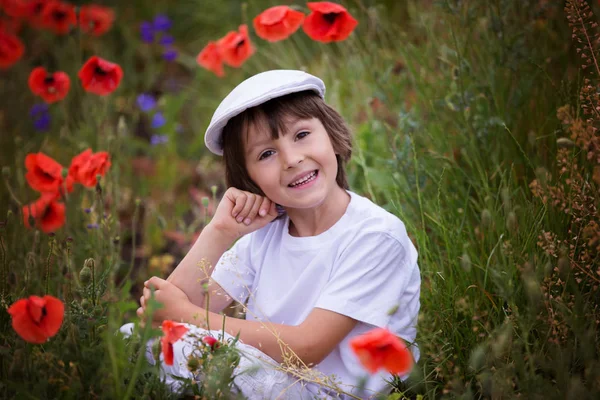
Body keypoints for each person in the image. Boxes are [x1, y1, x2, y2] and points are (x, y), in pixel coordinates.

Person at [124, 69, 421, 399]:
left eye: (302, 135)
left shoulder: (375, 236)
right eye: (266, 154)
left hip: (334, 393)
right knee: (135, 340)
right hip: (273, 378)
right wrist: (219, 231)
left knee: (192, 354)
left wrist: (183, 315)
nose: (292, 159)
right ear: (249, 179)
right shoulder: (264, 239)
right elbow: (164, 312)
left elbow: (308, 346)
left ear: (333, 136)